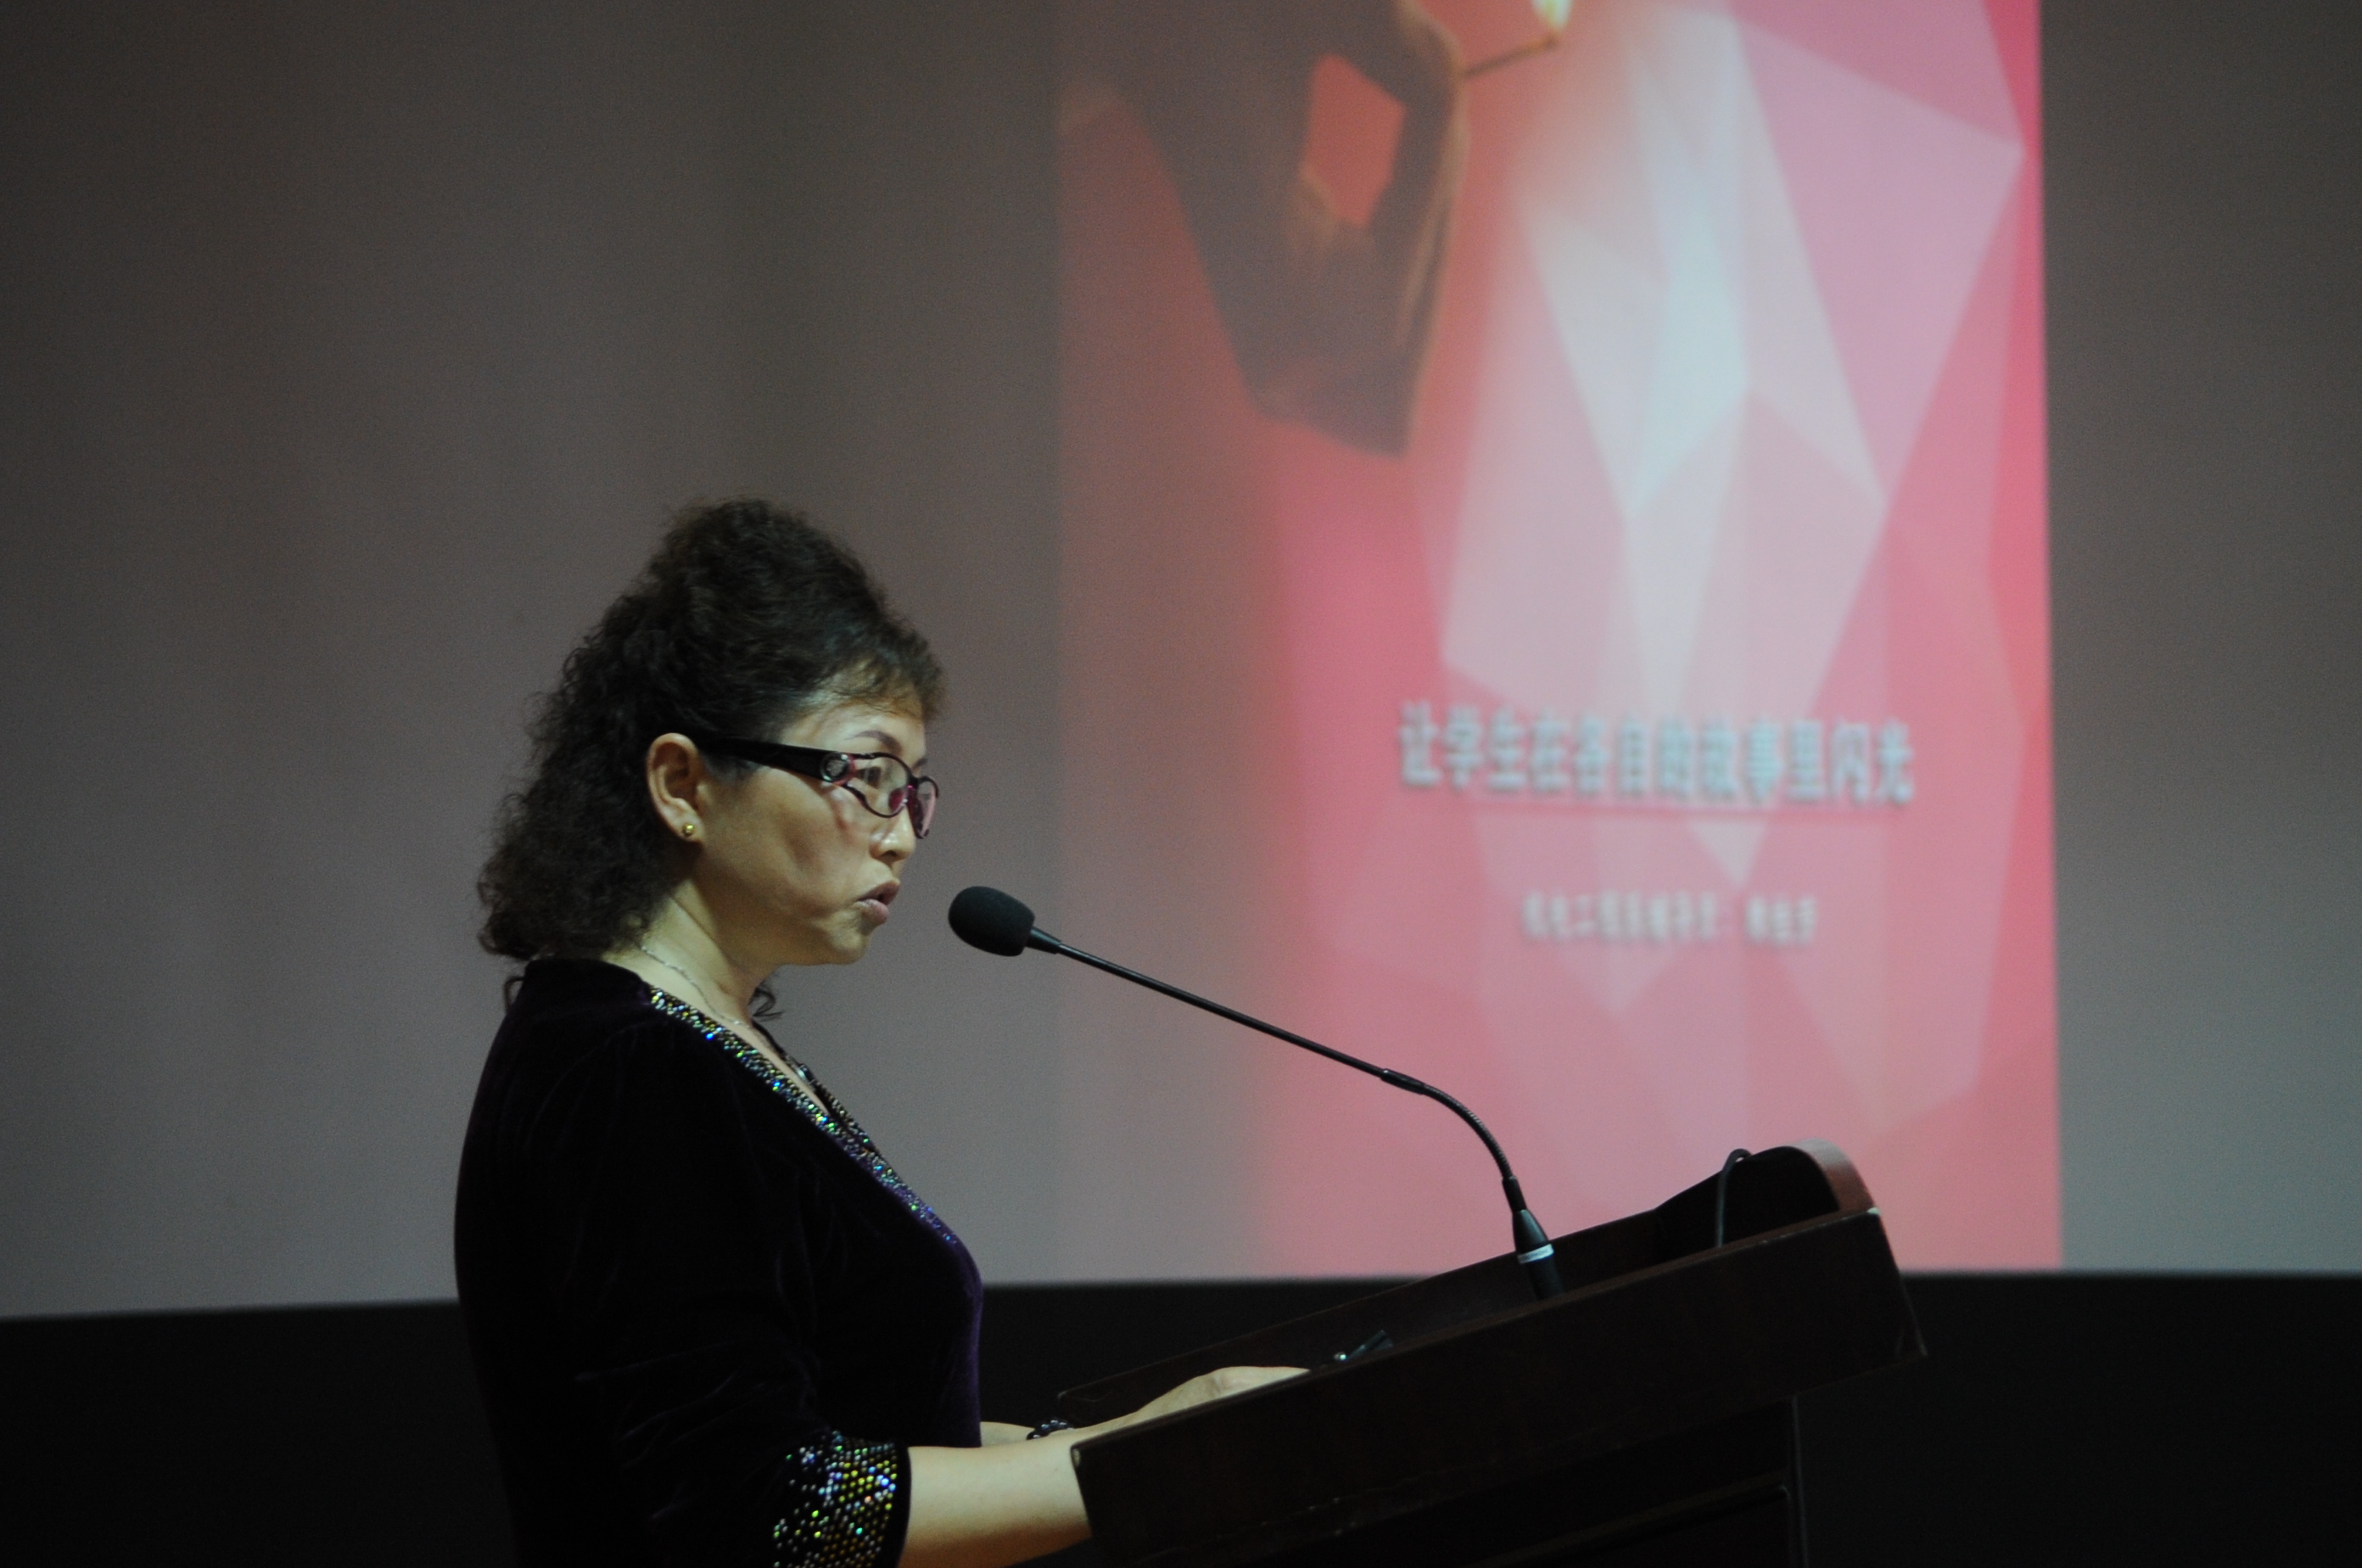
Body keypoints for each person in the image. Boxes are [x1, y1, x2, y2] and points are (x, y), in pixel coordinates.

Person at [458, 498, 1295, 1568]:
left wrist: (1146, 1441)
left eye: (912, 791)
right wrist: (1136, 1462)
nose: (901, 836)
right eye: (864, 778)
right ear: (683, 784)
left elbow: (872, 1438)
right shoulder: (628, 1069)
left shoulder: (699, 1045)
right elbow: (770, 1504)